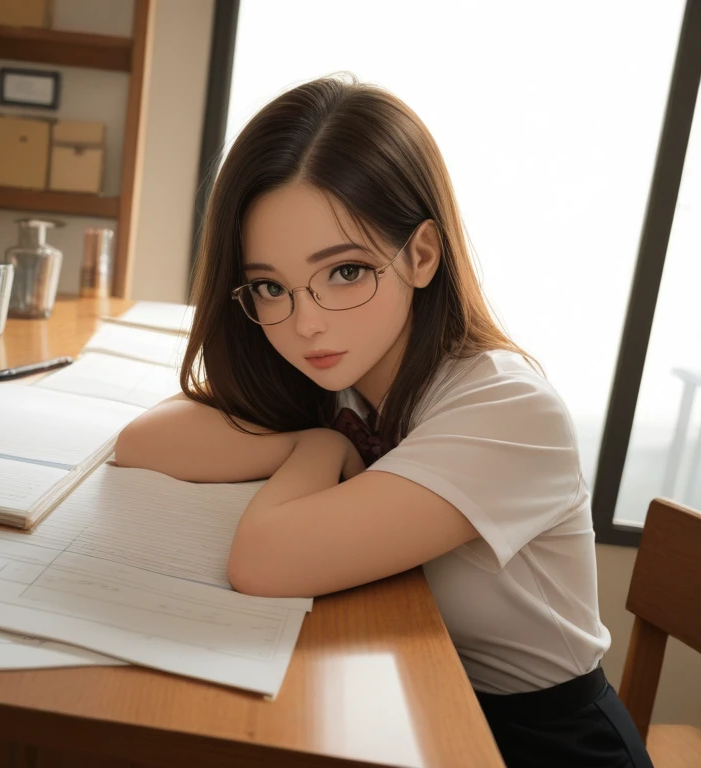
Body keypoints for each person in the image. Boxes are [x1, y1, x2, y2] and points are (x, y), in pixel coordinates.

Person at [113, 75, 653, 768]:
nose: (305, 322)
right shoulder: (342, 369)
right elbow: (143, 442)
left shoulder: (507, 410)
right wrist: (317, 437)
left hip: (544, 743)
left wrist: (319, 445)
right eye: (272, 286)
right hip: (425, 700)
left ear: (421, 256)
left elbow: (262, 561)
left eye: (345, 272)